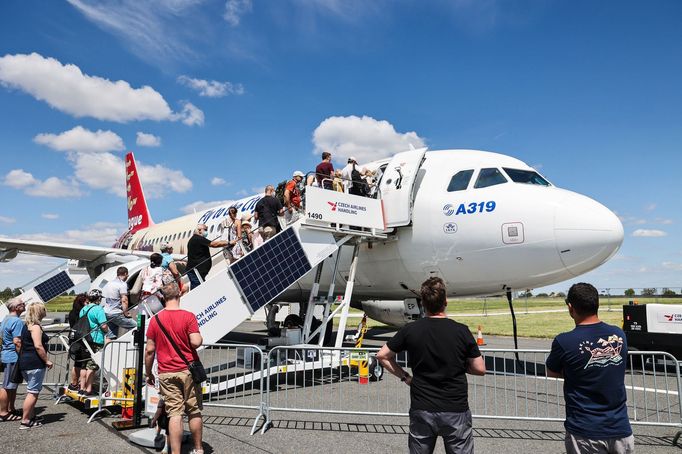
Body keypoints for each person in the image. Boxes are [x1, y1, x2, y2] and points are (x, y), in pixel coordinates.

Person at [377, 277, 485, 454]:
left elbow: (382, 355)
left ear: (423, 304)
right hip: (455, 409)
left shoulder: (410, 330)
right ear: (445, 302)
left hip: (422, 408)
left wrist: (405, 377)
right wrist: (461, 364)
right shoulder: (461, 330)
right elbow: (479, 369)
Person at [546, 283, 633, 454]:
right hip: (620, 428)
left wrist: (577, 372)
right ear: (597, 304)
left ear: (571, 308)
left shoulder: (564, 341)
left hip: (585, 430)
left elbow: (551, 370)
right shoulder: (619, 335)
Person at [145, 281, 204, 454]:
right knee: (194, 410)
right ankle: (198, 449)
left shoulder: (155, 320)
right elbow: (196, 341)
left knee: (174, 413)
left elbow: (149, 350)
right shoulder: (188, 316)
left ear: (163, 298)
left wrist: (148, 373)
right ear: (179, 294)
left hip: (166, 372)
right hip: (188, 371)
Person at [18, 302, 52, 429]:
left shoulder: (26, 325)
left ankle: (30, 416)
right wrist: (47, 360)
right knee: (33, 392)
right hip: (34, 363)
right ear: (39, 312)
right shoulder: (36, 327)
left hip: (25, 362)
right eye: (43, 310)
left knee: (32, 390)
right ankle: (25, 421)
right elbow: (38, 346)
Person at [78, 289, 110, 396]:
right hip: (96, 340)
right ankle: (88, 389)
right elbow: (104, 325)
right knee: (92, 365)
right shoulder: (98, 309)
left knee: (84, 365)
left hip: (84, 339)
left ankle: (81, 387)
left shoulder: (83, 309)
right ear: (99, 299)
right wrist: (108, 332)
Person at [0, 297, 25, 422]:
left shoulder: (5, 319)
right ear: (16, 308)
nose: (24, 305)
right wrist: (23, 356)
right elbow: (17, 342)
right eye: (22, 304)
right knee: (7, 385)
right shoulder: (17, 321)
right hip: (13, 356)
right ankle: (3, 412)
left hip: (6, 354)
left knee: (12, 385)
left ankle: (11, 408)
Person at [186, 224, 229, 289]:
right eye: (205, 230)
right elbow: (214, 244)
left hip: (197, 272)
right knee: (197, 291)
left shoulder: (194, 239)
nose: (206, 232)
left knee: (199, 289)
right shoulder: (198, 239)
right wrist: (228, 242)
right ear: (199, 230)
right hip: (195, 272)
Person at [102, 266, 136, 338]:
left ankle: (109, 348)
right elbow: (124, 300)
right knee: (136, 326)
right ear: (125, 273)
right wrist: (126, 313)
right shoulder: (122, 284)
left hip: (106, 312)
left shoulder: (109, 283)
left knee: (111, 335)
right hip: (115, 313)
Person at [66, 293, 87, 392]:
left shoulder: (72, 312)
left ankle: (74, 383)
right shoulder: (82, 313)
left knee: (76, 363)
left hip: (73, 338)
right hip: (80, 339)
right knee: (83, 364)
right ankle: (81, 385)